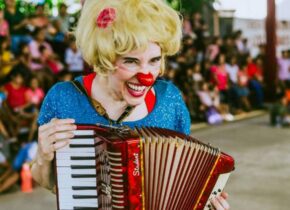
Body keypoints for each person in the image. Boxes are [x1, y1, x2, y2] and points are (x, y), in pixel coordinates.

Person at [31, 0, 230, 209]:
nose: (146, 76)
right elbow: (48, 183)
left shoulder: (170, 101)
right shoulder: (64, 98)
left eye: (154, 60)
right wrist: (44, 157)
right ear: (104, 57)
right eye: (131, 61)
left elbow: (181, 182)